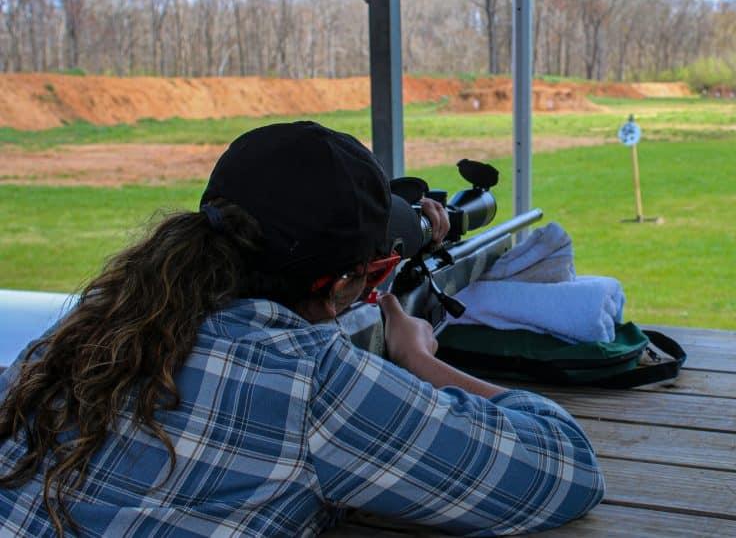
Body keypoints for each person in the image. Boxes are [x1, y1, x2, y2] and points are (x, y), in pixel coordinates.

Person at [0, 121, 604, 537]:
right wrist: (420, 358)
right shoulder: (309, 381)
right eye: (370, 282)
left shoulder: (76, 338)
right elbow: (564, 470)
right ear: (342, 288)